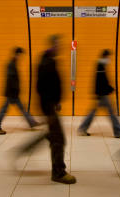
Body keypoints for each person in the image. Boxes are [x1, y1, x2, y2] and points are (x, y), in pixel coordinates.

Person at [17, 35, 76, 184]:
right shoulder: (46, 63)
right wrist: (49, 108)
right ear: (53, 45)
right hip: (48, 107)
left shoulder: (49, 61)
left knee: (53, 136)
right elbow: (42, 88)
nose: (60, 48)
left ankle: (25, 149)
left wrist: (56, 102)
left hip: (50, 106)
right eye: (58, 45)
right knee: (58, 139)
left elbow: (52, 86)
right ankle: (58, 173)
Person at [77, 49, 120, 138]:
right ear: (105, 57)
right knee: (112, 114)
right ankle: (119, 132)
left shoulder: (100, 65)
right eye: (108, 57)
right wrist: (110, 89)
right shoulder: (100, 66)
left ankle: (82, 129)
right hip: (102, 95)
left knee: (93, 113)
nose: (109, 59)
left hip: (100, 94)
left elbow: (99, 81)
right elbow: (101, 82)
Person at [0, 47, 39, 135]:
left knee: (21, 108)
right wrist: (16, 90)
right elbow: (11, 80)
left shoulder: (13, 63)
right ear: (17, 54)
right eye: (20, 55)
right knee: (4, 110)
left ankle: (31, 122)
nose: (21, 57)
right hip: (11, 93)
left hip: (13, 92)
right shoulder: (11, 64)